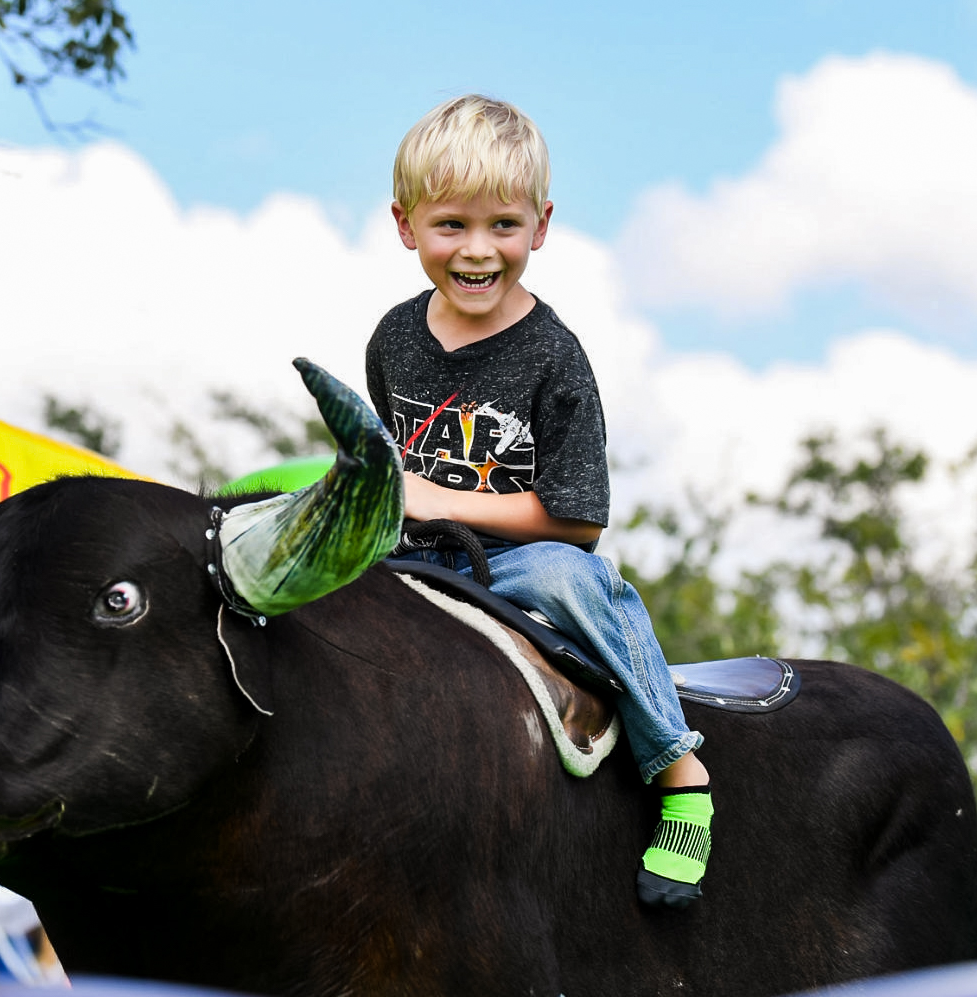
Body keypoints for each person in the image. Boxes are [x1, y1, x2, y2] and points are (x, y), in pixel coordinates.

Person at [365, 94, 713, 909]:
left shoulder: (553, 355)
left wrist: (435, 496)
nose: (478, 250)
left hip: (521, 560)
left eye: (504, 226)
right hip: (416, 554)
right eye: (451, 224)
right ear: (405, 223)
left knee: (577, 581)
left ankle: (681, 773)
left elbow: (579, 518)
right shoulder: (392, 338)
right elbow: (394, 459)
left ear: (542, 226)